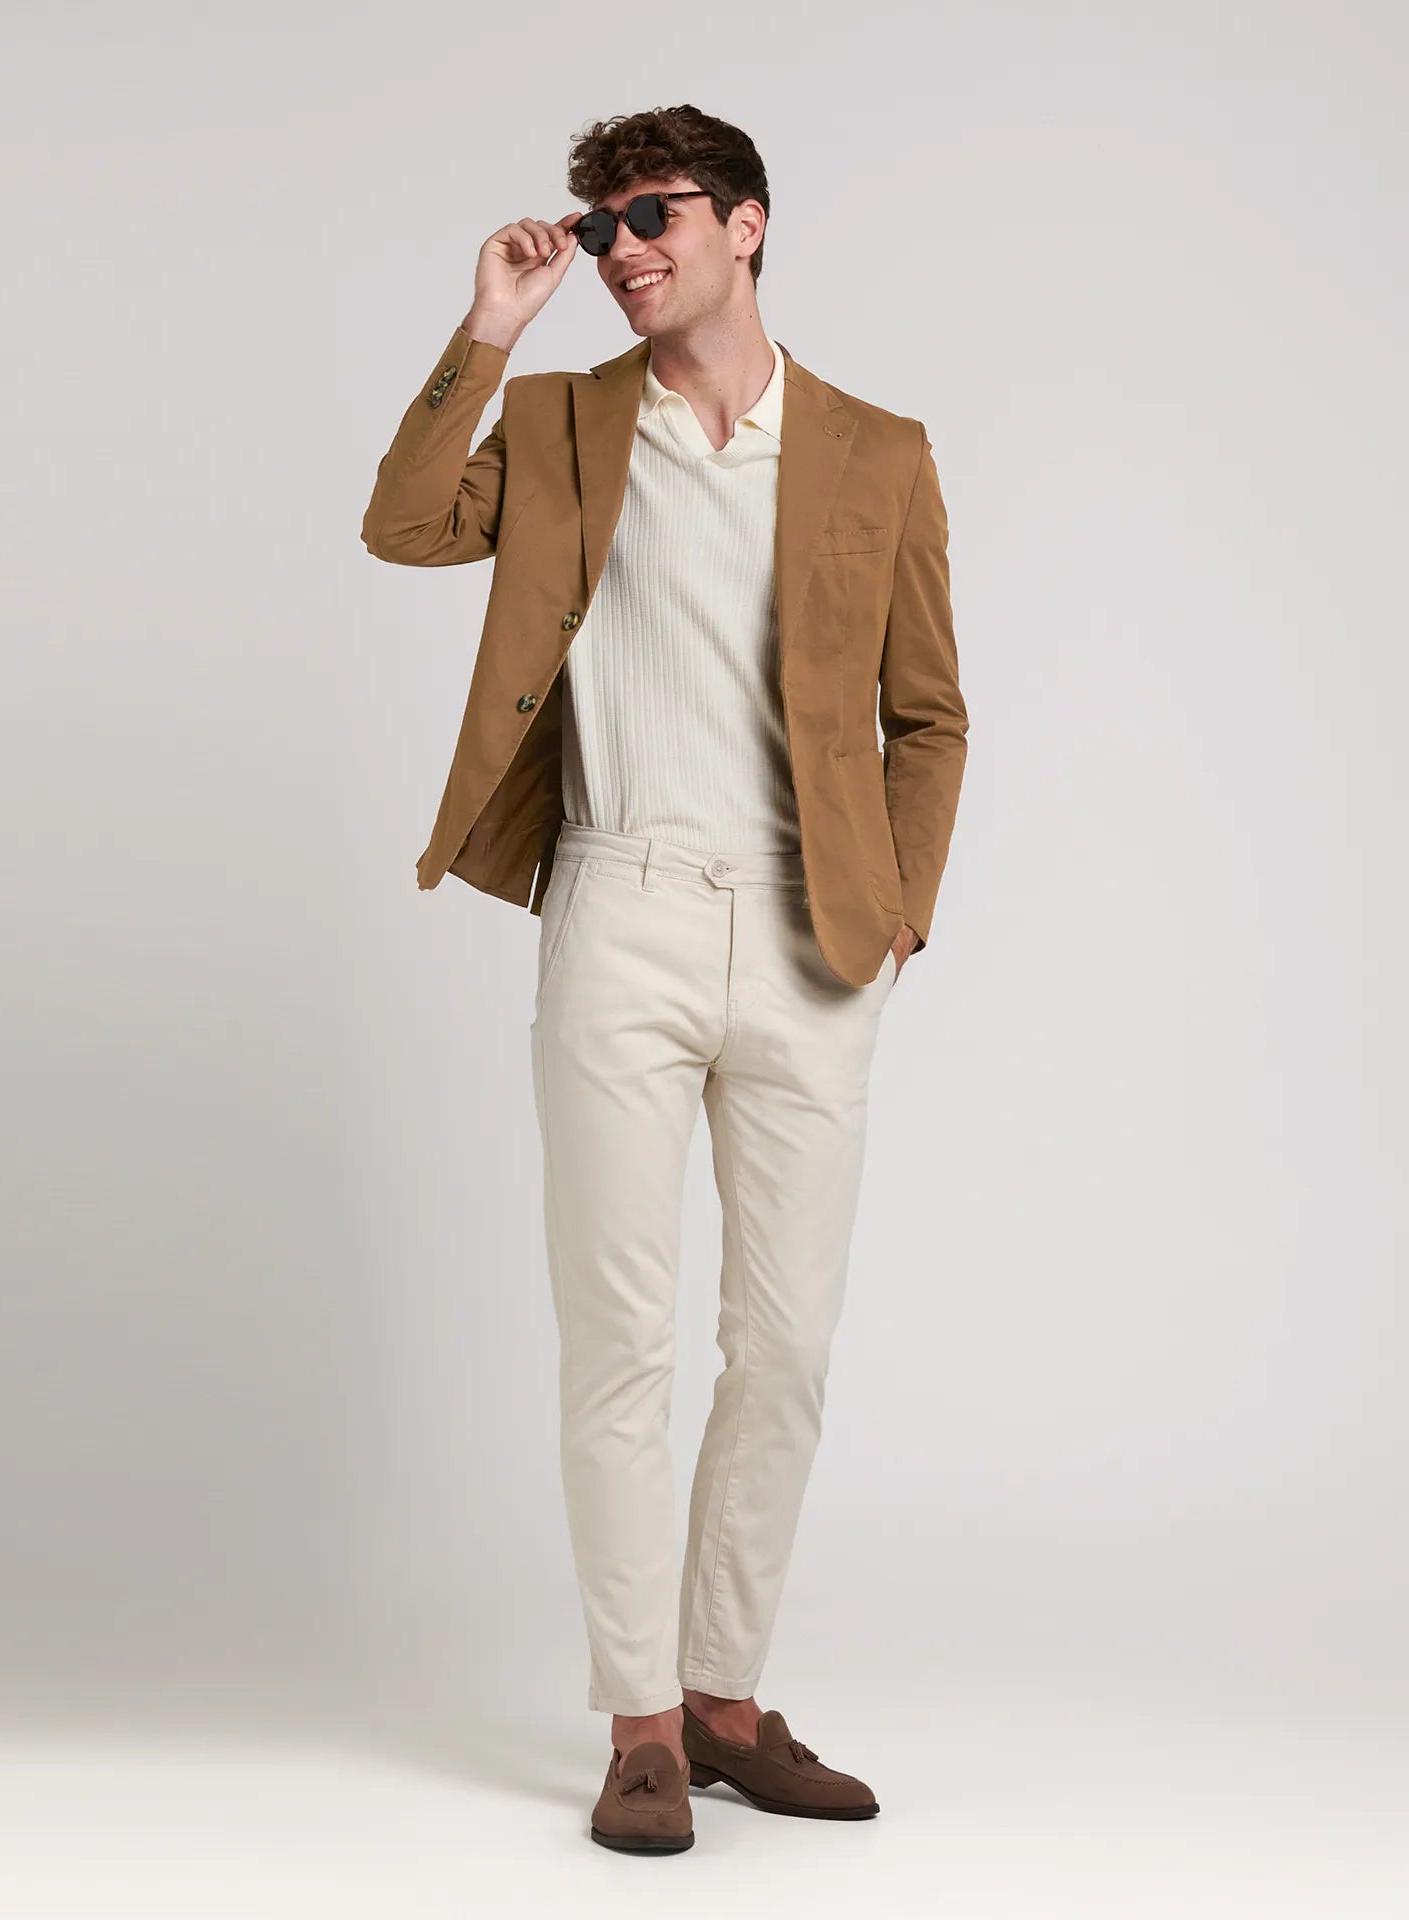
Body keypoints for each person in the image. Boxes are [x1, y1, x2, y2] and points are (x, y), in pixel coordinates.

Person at [360, 103, 969, 1855]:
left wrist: (898, 914)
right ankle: (639, 1720)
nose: (623, 248)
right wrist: (491, 329)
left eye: (654, 215)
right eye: (600, 224)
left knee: (784, 1348)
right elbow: (404, 525)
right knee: (618, 1342)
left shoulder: (876, 450)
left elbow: (928, 714)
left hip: (812, 937)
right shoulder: (562, 422)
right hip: (618, 900)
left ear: (746, 223)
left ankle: (726, 1700)